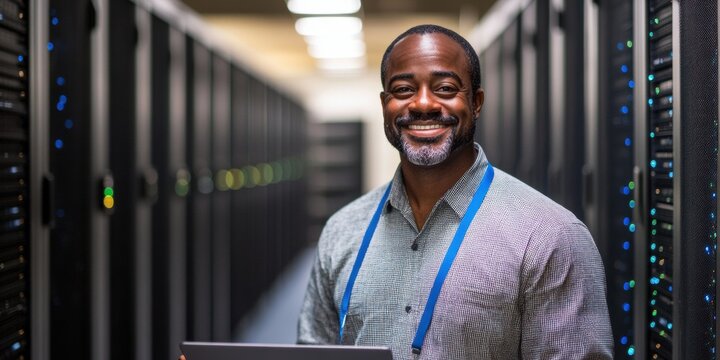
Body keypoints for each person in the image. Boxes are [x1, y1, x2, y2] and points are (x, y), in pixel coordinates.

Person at [297, 24, 613, 359]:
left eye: (445, 88)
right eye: (403, 89)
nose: (422, 104)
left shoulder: (549, 237)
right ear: (384, 104)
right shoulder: (343, 229)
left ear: (476, 102)